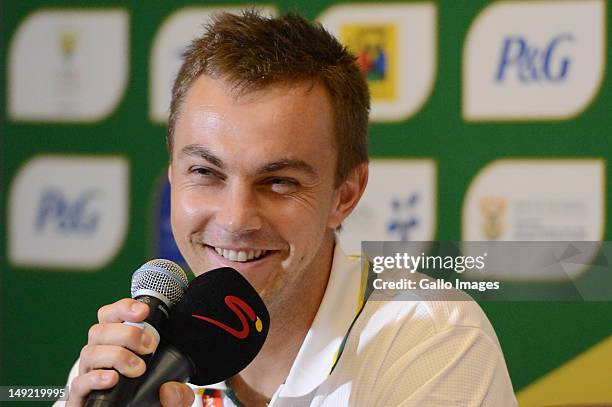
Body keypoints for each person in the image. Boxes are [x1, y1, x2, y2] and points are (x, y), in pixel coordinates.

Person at [59, 10, 517, 406]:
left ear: (345, 194)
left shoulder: (432, 337)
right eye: (206, 172)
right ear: (174, 176)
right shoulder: (132, 360)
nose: (236, 220)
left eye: (279, 182)